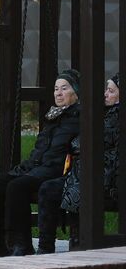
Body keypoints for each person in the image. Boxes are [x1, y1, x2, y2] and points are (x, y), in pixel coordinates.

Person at [0, 68, 81, 258]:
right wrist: (28, 166)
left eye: (64, 88)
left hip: (55, 172)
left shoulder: (80, 118)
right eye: (56, 89)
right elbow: (40, 149)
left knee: (17, 187)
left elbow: (65, 154)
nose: (58, 93)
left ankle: (22, 244)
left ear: (76, 92)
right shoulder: (52, 116)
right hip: (35, 168)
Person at [36, 73, 121, 253]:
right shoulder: (107, 113)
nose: (105, 94)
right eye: (106, 89)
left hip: (107, 178)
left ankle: (67, 243)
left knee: (54, 189)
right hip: (89, 174)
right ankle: (69, 241)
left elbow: (85, 143)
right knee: (52, 188)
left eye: (111, 91)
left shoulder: (116, 116)